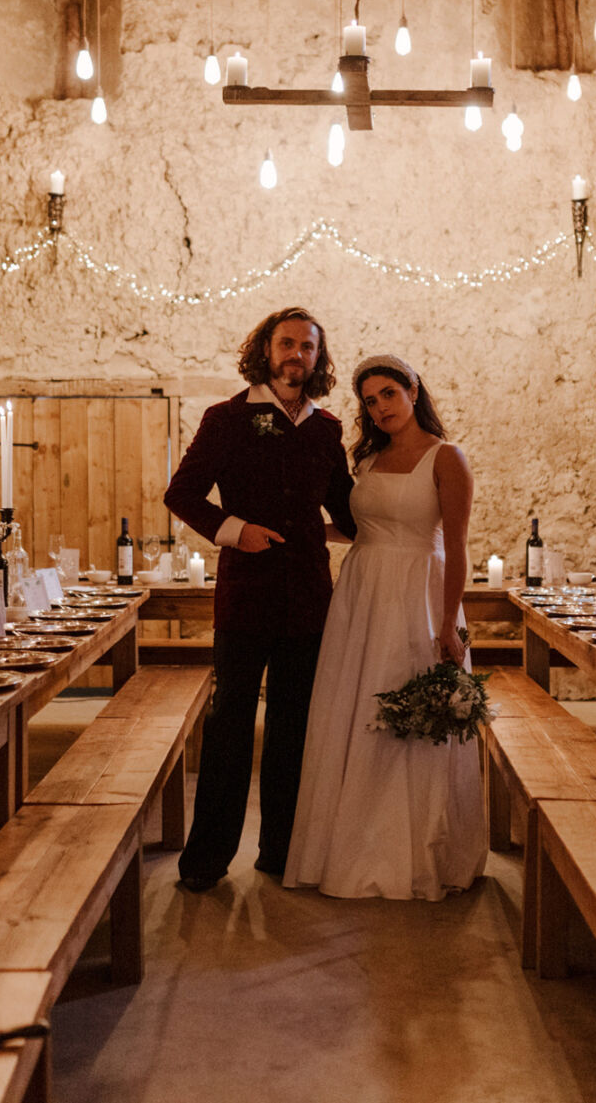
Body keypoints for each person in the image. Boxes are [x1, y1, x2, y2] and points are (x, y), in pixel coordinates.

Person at [164, 308, 358, 892]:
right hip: (244, 598)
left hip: (307, 601)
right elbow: (182, 494)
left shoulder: (327, 430)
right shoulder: (225, 418)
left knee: (294, 731)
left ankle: (282, 852)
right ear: (265, 350)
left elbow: (347, 509)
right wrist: (234, 530)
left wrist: (390, 502)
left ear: (318, 359)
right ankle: (206, 862)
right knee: (228, 729)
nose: (296, 354)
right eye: (286, 343)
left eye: (307, 347)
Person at [283, 355, 486, 900]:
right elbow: (365, 530)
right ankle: (349, 846)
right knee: (354, 713)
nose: (380, 408)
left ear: (413, 390)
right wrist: (298, 528)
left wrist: (448, 625)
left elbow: (458, 547)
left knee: (407, 713)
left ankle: (412, 853)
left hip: (418, 595)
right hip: (361, 595)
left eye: (388, 394)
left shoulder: (447, 458)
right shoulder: (368, 459)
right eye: (370, 401)